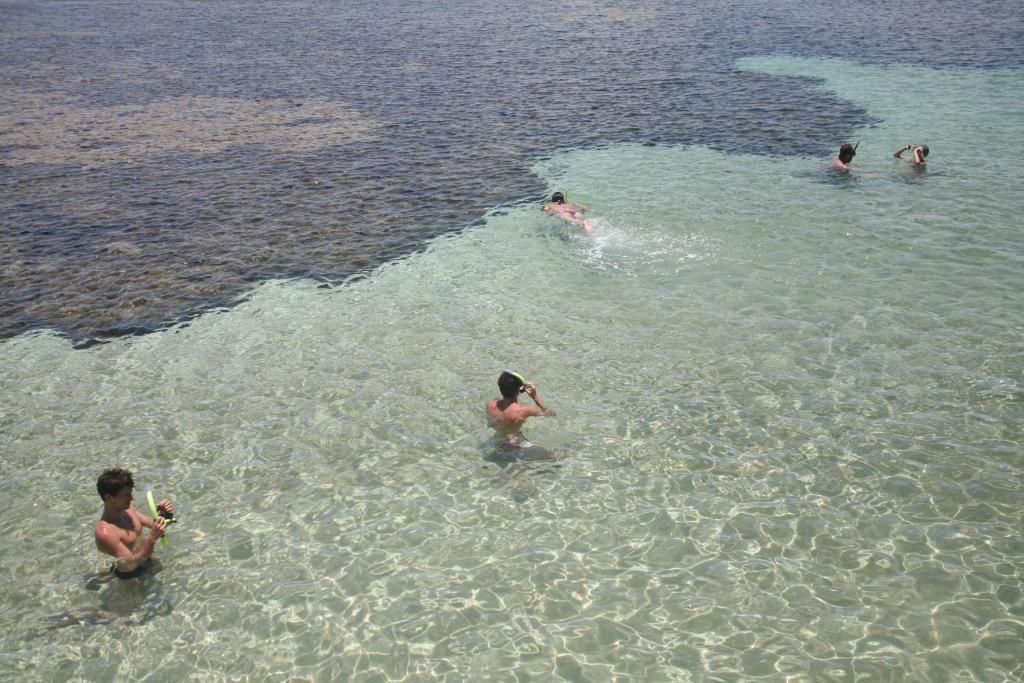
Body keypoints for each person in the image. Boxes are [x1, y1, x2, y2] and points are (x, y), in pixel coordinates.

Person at [94, 469, 173, 579]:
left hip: (147, 558)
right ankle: (104, 576)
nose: (132, 498)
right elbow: (130, 565)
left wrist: (163, 514)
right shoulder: (105, 533)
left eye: (130, 493)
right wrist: (151, 539)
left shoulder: (129, 510)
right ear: (108, 498)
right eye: (126, 495)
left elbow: (155, 526)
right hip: (130, 576)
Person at [486, 370, 554, 448]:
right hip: (515, 443)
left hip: (498, 441)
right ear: (518, 391)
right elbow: (549, 414)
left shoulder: (490, 404)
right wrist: (534, 397)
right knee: (558, 455)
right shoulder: (524, 410)